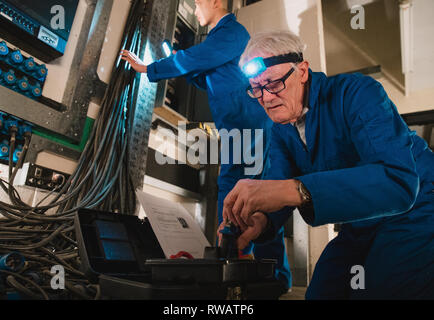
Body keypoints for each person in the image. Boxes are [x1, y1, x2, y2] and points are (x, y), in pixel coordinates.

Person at [221, 30, 434, 299]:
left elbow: (398, 182)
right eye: (257, 89)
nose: (266, 98)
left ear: (302, 71)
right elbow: (276, 186)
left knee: (379, 291)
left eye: (273, 84)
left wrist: (296, 189)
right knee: (321, 294)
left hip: (418, 209)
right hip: (360, 223)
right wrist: (260, 220)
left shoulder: (357, 93)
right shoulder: (282, 130)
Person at [120, 0, 292, 291]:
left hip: (251, 128)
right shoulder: (217, 41)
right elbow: (204, 76)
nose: (196, 9)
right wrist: (180, 63)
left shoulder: (233, 33)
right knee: (232, 195)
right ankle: (233, 267)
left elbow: (196, 59)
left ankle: (273, 279)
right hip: (235, 130)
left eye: (198, 3)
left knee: (256, 197)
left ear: (215, 1)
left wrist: (150, 68)